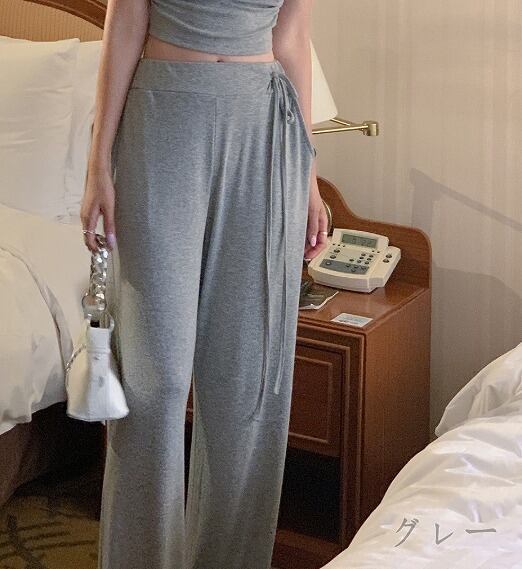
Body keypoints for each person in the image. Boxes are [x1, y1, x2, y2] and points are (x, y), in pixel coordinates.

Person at [80, 0, 328, 567]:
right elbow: (126, 24)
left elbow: (292, 38)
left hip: (264, 129)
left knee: (247, 381)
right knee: (154, 381)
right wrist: (98, 163)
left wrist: (308, 175)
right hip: (164, 117)